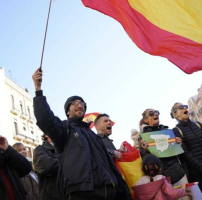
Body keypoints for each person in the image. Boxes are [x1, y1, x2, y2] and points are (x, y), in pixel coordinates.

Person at [32, 69, 132, 200]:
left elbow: (108, 164)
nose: (79, 105)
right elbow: (45, 119)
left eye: (82, 103)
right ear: (68, 112)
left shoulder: (92, 135)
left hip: (108, 191)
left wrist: (121, 189)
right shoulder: (64, 129)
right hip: (81, 192)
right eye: (74, 103)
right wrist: (38, 90)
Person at [171, 102, 202, 198]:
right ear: (175, 114)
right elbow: (185, 154)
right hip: (198, 175)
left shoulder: (198, 124)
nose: (185, 108)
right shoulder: (176, 131)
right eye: (181, 107)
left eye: (185, 106)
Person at [138, 108, 188, 188]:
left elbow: (180, 154)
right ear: (146, 119)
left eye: (157, 112)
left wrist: (179, 144)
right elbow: (144, 161)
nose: (155, 114)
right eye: (151, 113)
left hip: (179, 173)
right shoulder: (143, 137)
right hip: (162, 178)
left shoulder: (167, 131)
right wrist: (146, 150)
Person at [33, 134, 65, 200]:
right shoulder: (40, 149)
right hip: (52, 195)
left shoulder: (64, 149)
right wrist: (68, 162)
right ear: (46, 135)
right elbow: (47, 165)